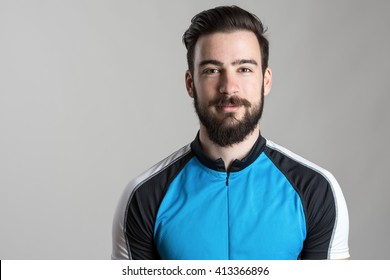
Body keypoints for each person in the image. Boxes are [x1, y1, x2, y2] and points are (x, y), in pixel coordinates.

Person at [111, 5, 350, 260]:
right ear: (191, 84)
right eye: (212, 70)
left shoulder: (316, 191)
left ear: (265, 80)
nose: (229, 87)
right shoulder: (145, 197)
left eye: (244, 69)